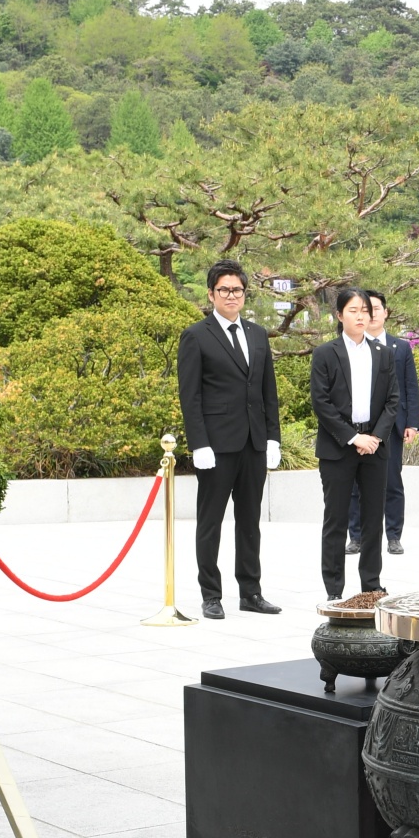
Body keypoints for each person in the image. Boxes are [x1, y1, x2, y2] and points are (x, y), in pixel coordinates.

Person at [177, 259, 282, 620]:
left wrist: (273, 438)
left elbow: (269, 390)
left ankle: (250, 592)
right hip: (217, 447)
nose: (231, 295)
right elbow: (189, 396)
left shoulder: (256, 334)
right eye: (224, 290)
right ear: (211, 294)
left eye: (237, 289)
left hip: (253, 443)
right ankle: (211, 594)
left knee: (249, 521)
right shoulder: (196, 336)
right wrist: (198, 443)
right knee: (211, 522)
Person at [311, 286, 402, 601]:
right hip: (339, 446)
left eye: (365, 310)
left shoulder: (384, 354)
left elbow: (393, 401)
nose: (361, 315)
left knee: (372, 518)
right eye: (353, 310)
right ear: (339, 315)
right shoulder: (326, 353)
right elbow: (321, 403)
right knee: (336, 518)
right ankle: (334, 589)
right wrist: (353, 437)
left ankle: (372, 585)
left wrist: (374, 437)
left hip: (375, 447)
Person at [347, 289, 419, 558]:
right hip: (358, 427)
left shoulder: (400, 347)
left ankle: (394, 536)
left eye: (376, 308)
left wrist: (412, 422)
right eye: (366, 309)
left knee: (392, 482)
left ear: (386, 313)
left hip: (392, 426)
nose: (372, 313)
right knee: (355, 484)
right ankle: (356, 536)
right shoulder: (351, 345)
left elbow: (411, 386)